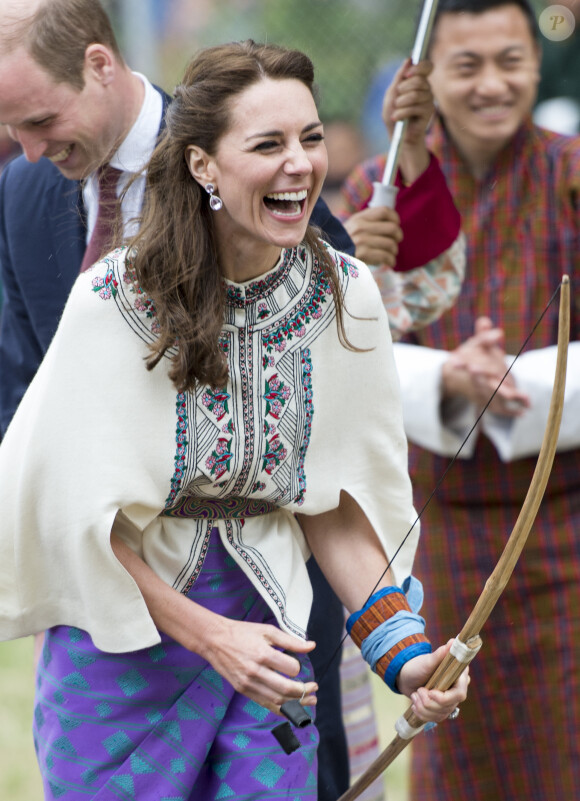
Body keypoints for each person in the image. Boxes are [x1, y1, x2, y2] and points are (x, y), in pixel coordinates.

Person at [0, 39, 469, 800]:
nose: (301, 163)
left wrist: (411, 659)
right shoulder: (111, 302)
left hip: (270, 642)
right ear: (204, 167)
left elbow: (334, 507)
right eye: (268, 144)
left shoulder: (346, 295)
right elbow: (73, 520)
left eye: (311, 138)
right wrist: (210, 634)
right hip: (122, 650)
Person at [339, 0, 580, 798]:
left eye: (509, 61)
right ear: (425, 77)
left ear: (537, 65)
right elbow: (332, 340)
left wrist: (534, 378)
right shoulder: (380, 186)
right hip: (434, 522)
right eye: (465, 65)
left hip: (565, 518)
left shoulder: (572, 170)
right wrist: (444, 379)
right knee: (453, 746)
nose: (491, 85)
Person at [0, 0, 351, 440]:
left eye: (41, 120)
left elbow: (333, 329)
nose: (30, 151)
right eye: (12, 128)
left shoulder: (240, 163)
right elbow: (23, 385)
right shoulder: (20, 190)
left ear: (99, 65)